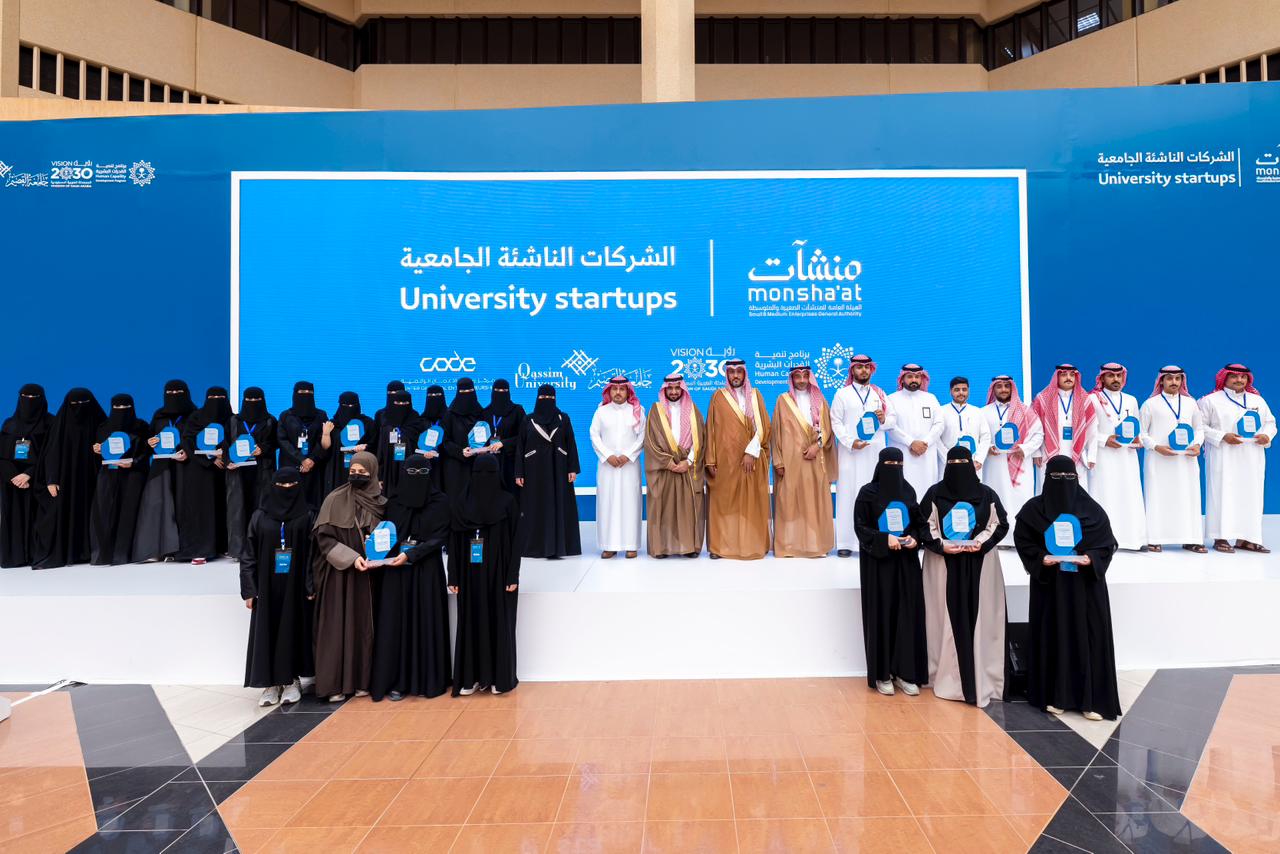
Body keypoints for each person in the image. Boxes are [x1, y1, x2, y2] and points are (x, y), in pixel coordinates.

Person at [1014, 455, 1121, 721]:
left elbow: (1106, 544)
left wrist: (1091, 558)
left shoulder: (1093, 511)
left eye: (1068, 477)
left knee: (1088, 636)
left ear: (1076, 478)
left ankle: (1089, 700)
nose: (1063, 482)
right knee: (1054, 634)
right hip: (1051, 586)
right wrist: (1041, 558)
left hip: (1086, 587)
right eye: (1057, 477)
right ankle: (1055, 696)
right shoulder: (1034, 511)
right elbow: (1024, 541)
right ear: (1047, 479)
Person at [919, 446, 1009, 708]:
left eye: (963, 462)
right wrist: (941, 545)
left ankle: (982, 677)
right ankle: (946, 678)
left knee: (981, 619)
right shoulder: (935, 493)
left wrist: (980, 542)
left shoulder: (986, 494)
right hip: (944, 565)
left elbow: (1000, 523)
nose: (958, 467)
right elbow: (924, 525)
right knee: (943, 619)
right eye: (953, 462)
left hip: (980, 565)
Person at [371, 454, 453, 701]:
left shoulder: (440, 502)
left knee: (426, 620)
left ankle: (429, 679)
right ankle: (398, 681)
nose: (416, 477)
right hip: (396, 571)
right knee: (396, 624)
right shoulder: (394, 503)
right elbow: (388, 534)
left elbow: (440, 536)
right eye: (411, 472)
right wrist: (375, 545)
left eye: (422, 473)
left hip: (426, 570)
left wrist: (413, 554)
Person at [311, 451, 385, 702]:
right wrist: (352, 558)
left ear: (373, 473)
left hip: (371, 577)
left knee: (364, 628)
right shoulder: (334, 499)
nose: (357, 475)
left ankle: (363, 682)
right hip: (340, 576)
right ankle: (336, 686)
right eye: (353, 471)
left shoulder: (381, 502)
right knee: (339, 628)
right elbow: (323, 539)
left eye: (362, 472)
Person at [855, 448, 928, 696]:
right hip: (880, 565)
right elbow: (861, 527)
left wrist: (914, 538)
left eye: (899, 464)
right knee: (883, 614)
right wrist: (884, 539)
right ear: (880, 465)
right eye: (890, 464)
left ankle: (905, 673)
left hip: (906, 564)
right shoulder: (867, 493)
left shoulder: (908, 491)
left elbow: (918, 523)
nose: (895, 468)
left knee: (907, 615)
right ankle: (882, 674)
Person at [240, 467, 314, 707]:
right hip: (266, 586)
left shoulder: (307, 515)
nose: (286, 490)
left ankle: (292, 681)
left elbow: (314, 554)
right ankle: (271, 684)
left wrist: (310, 585)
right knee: (268, 631)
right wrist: (249, 590)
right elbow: (248, 554)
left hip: (296, 586)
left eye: (291, 485)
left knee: (293, 630)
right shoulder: (260, 517)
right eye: (281, 486)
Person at [448, 455, 521, 696]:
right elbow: (454, 542)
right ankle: (471, 678)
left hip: (500, 575)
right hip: (468, 575)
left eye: (489, 474)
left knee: (499, 623)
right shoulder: (461, 504)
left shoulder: (508, 502)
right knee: (470, 622)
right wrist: (453, 576)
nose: (484, 479)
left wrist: (513, 575)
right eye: (479, 474)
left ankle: (499, 679)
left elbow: (516, 541)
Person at [1199, 363, 1274, 554]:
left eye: (1243, 377)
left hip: (1252, 456)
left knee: (1251, 495)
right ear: (1224, 378)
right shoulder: (1210, 400)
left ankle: (1247, 539)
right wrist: (1222, 436)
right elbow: (1200, 427)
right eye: (1234, 376)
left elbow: (1270, 422)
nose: (1239, 380)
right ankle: (1220, 537)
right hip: (1223, 456)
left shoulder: (1258, 400)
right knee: (1222, 493)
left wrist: (1266, 435)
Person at [704, 358, 772, 560]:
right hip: (725, 461)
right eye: (731, 372)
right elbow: (711, 429)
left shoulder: (755, 395)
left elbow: (763, 427)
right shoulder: (718, 396)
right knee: (725, 503)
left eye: (739, 371)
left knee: (751, 503)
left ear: (744, 374)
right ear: (727, 374)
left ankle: (752, 544)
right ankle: (721, 547)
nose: (735, 375)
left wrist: (751, 452)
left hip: (752, 459)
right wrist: (710, 460)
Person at [33, 388, 106, 569]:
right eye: (74, 404)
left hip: (92, 477)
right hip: (66, 479)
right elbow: (51, 452)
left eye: (83, 404)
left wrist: (103, 449)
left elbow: (112, 446)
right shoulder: (60, 425)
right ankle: (69, 551)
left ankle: (88, 551)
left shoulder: (100, 422)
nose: (78, 408)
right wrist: (51, 479)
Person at [771, 365, 836, 558]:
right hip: (790, 461)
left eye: (805, 376)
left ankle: (816, 546)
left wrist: (817, 446)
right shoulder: (783, 400)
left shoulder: (821, 401)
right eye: (797, 376)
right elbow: (776, 432)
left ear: (810, 378)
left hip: (815, 458)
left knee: (814, 502)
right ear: (792, 379)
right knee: (790, 502)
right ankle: (789, 546)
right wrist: (778, 460)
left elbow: (827, 429)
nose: (801, 380)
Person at [831, 355, 892, 557]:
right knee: (847, 495)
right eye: (859, 367)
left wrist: (884, 419)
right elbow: (835, 422)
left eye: (867, 367)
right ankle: (846, 542)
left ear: (871, 370)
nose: (863, 370)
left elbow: (893, 420)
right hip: (850, 454)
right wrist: (850, 442)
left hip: (874, 454)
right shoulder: (842, 394)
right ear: (852, 370)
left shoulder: (880, 394)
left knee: (874, 496)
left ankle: (872, 541)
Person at [1139, 366, 1205, 553]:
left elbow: (1199, 429)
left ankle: (1191, 539)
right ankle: (1155, 538)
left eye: (1177, 378)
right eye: (1169, 378)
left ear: (1182, 381)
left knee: (1188, 497)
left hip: (1186, 460)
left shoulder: (1191, 403)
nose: (1174, 382)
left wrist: (1197, 444)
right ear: (1161, 381)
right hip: (1158, 460)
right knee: (1158, 497)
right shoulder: (1150, 404)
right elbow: (1141, 433)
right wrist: (1156, 447)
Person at [515, 385, 582, 559]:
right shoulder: (528, 420)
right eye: (543, 397)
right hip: (534, 471)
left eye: (550, 398)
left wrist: (572, 468)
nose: (546, 401)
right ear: (537, 398)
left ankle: (560, 547)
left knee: (560, 504)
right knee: (535, 506)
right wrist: (519, 473)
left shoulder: (563, 418)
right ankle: (536, 547)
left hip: (559, 469)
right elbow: (520, 447)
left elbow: (571, 443)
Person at [644, 374, 706, 558]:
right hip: (664, 467)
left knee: (688, 509)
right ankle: (662, 548)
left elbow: (700, 440)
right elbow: (650, 441)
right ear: (664, 390)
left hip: (687, 466)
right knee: (664, 508)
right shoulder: (656, 411)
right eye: (669, 388)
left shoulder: (693, 411)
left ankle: (689, 547)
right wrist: (668, 463)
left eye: (677, 388)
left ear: (682, 389)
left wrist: (689, 461)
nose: (673, 392)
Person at [132, 380, 195, 562]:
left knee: (184, 504)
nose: (174, 396)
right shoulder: (159, 415)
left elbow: (197, 440)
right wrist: (150, 442)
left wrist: (188, 452)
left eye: (178, 392)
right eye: (170, 392)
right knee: (159, 505)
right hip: (162, 467)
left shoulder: (194, 415)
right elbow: (151, 438)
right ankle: (158, 548)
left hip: (185, 467)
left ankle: (182, 549)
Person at [1089, 364, 1146, 551]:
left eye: (1119, 376)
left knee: (1129, 494)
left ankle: (1132, 540)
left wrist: (1137, 439)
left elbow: (1137, 427)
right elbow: (1087, 431)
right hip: (1104, 457)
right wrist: (1105, 439)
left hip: (1127, 457)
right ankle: (1104, 540)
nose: (1116, 379)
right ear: (1102, 378)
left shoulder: (1131, 400)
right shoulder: (1093, 399)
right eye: (1111, 376)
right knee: (1106, 495)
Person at [981, 375, 1043, 547]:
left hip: (1020, 464)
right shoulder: (983, 412)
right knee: (995, 497)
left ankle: (1020, 538)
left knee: (1020, 499)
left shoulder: (1026, 411)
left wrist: (1025, 449)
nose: (1003, 389)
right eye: (999, 386)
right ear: (993, 389)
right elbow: (978, 436)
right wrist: (988, 447)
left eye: (1007, 386)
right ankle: (996, 537)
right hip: (993, 465)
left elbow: (1038, 435)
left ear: (1012, 388)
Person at [89, 394, 150, 565]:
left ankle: (126, 553)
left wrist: (134, 462)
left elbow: (147, 451)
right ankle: (105, 553)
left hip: (133, 475)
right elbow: (101, 452)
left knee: (130, 511)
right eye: (117, 408)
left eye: (125, 408)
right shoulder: (103, 427)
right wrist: (97, 450)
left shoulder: (142, 426)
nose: (121, 411)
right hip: (108, 474)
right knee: (106, 511)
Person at [590, 376, 645, 559]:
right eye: (614, 389)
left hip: (630, 465)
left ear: (628, 391)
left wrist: (628, 455)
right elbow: (594, 435)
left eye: (622, 389)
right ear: (609, 391)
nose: (618, 392)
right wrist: (608, 456)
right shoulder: (601, 411)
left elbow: (643, 436)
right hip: (607, 466)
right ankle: (609, 546)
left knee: (631, 503)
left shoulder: (638, 411)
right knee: (608, 503)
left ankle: (631, 545)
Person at [176, 386, 233, 562]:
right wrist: (209, 460)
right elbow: (187, 441)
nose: (216, 402)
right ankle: (200, 548)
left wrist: (224, 455)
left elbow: (235, 442)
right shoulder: (196, 417)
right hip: (200, 472)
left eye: (220, 397)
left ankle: (223, 546)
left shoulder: (232, 419)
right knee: (202, 508)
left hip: (225, 470)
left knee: (224, 506)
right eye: (212, 397)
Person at [0, 384, 53, 567]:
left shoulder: (50, 423)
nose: (29, 401)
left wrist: (29, 474)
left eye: (34, 397)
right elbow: (2, 455)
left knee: (36, 517)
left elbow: (51, 454)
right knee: (13, 517)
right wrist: (14, 477)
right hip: (12, 482)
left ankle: (34, 554)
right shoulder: (9, 424)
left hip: (37, 480)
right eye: (25, 396)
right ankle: (15, 556)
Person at [225, 387, 278, 561]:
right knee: (238, 510)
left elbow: (276, 442)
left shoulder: (270, 420)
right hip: (238, 472)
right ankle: (238, 550)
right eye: (249, 400)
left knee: (261, 509)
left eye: (256, 400)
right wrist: (227, 461)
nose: (253, 404)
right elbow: (225, 444)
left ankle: (261, 546)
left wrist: (263, 448)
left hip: (262, 471)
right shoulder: (234, 421)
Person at [1031, 364, 1097, 490]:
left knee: (1076, 490)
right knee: (1049, 489)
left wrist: (1092, 455)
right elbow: (1035, 428)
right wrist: (1036, 452)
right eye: (1064, 375)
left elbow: (1092, 429)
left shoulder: (1085, 399)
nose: (1068, 378)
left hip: (1077, 452)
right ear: (1056, 377)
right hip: (1048, 452)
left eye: (1072, 375)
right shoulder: (1042, 398)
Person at [887, 364, 944, 499]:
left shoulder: (931, 398)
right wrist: (911, 442)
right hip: (903, 453)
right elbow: (890, 427)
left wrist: (925, 443)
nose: (914, 380)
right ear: (902, 379)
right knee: (903, 492)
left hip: (927, 454)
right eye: (910, 376)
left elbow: (939, 424)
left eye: (917, 377)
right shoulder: (891, 399)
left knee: (927, 492)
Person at [277, 381, 330, 512]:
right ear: (295, 394)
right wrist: (301, 459)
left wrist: (312, 459)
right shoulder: (285, 416)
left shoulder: (321, 415)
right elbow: (282, 440)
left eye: (309, 393)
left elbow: (323, 439)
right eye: (301, 393)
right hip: (291, 466)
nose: (305, 396)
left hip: (314, 467)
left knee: (314, 502)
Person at [440, 378, 488, 498]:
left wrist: (480, 450)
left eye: (470, 391)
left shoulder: (481, 414)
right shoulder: (449, 415)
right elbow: (444, 441)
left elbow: (487, 437)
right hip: (456, 466)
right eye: (463, 392)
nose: (467, 395)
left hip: (478, 465)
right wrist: (460, 451)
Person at [323, 391, 376, 494]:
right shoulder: (332, 424)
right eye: (345, 405)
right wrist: (326, 434)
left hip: (360, 468)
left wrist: (365, 447)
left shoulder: (367, 423)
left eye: (352, 405)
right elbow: (325, 448)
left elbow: (374, 444)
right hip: (337, 468)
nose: (349, 408)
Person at [374, 389, 422, 498]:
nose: (401, 406)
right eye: (398, 403)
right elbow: (381, 451)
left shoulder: (416, 421)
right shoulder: (386, 424)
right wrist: (379, 476)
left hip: (411, 469)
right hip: (389, 470)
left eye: (405, 403)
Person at [939, 377, 991, 472]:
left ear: (968, 391)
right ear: (950, 391)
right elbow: (937, 439)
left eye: (964, 389)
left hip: (973, 464)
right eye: (957, 390)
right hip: (947, 465)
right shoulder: (941, 411)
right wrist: (948, 458)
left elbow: (985, 437)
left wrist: (979, 460)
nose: (961, 393)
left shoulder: (977, 412)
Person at [484, 379, 526, 497]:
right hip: (490, 462)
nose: (500, 394)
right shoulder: (486, 412)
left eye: (504, 391)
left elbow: (524, 436)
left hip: (510, 462)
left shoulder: (517, 411)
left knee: (511, 495)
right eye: (497, 390)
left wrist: (504, 443)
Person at [418, 384, 448, 493]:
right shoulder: (422, 420)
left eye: (437, 395)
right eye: (431, 395)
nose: (434, 398)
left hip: (446, 461)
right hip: (427, 463)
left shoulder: (449, 418)